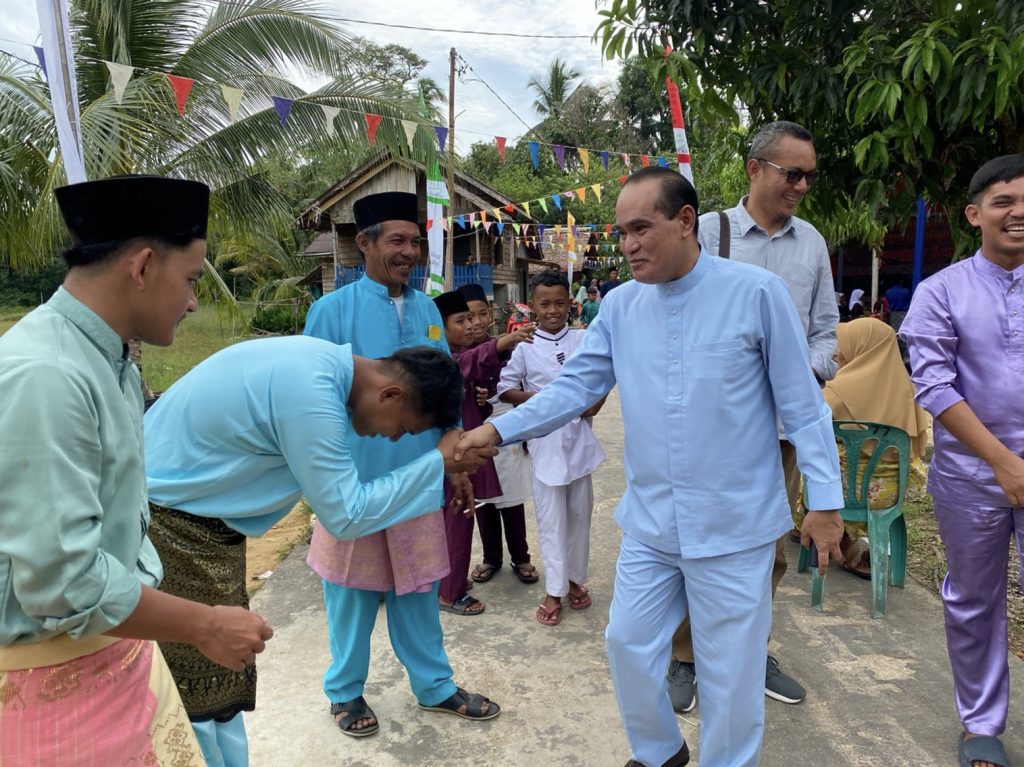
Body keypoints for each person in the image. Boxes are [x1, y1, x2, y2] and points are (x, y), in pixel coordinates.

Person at [455, 167, 842, 767]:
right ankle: (660, 751)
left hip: (734, 525)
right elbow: (575, 388)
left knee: (731, 671)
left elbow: (803, 405)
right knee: (628, 643)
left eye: (641, 228)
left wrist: (825, 501)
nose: (628, 244)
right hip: (652, 522)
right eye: (621, 232)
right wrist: (497, 429)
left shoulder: (756, 294)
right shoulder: (620, 306)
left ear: (685, 222)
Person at [0, 175, 272, 766]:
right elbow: (64, 582)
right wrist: (204, 624)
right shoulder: (48, 376)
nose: (194, 302)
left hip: (110, 655)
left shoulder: (110, 359)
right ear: (143, 267)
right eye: (192, 279)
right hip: (49, 687)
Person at [144, 338, 490, 764]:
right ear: (390, 394)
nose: (391, 437)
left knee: (222, 683)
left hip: (200, 523)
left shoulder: (320, 366)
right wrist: (435, 462)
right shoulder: (312, 394)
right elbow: (346, 514)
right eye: (401, 428)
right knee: (194, 698)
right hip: (173, 528)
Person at [302, 191, 500, 737]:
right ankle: (345, 691)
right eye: (397, 241)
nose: (409, 252)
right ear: (365, 244)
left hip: (420, 480)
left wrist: (456, 465)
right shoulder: (331, 312)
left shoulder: (428, 312)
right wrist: (320, 479)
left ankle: (434, 686)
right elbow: (311, 402)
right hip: (355, 482)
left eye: (415, 241)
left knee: (418, 590)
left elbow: (444, 392)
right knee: (351, 594)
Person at [667, 119, 840, 713]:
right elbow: (676, 320)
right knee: (696, 543)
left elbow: (826, 334)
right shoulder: (706, 232)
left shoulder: (812, 244)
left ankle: (751, 651)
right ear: (755, 169)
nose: (801, 186)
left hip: (782, 434)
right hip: (711, 432)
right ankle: (686, 657)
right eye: (792, 173)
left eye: (809, 177)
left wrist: (796, 376)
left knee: (769, 549)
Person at [900, 154, 1024, 767]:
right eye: (1004, 202)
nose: (1018, 213)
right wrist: (1003, 460)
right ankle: (981, 723)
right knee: (974, 599)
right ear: (975, 214)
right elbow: (933, 384)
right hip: (972, 475)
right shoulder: (941, 291)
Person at [497, 270, 606, 627]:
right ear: (533, 306)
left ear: (570, 304)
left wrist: (594, 401)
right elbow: (505, 390)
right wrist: (546, 403)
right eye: (545, 304)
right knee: (550, 519)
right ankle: (554, 590)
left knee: (579, 518)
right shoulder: (525, 346)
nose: (553, 310)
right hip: (545, 443)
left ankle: (575, 580)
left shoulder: (583, 339)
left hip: (579, 443)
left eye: (560, 303)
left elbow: (602, 378)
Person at [791, 317, 929, 578]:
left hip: (840, 496)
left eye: (843, 344)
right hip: (888, 496)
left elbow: (805, 430)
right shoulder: (910, 391)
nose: (837, 353)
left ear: (859, 347)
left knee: (805, 461)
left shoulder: (834, 391)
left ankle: (819, 533)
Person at [432, 290, 533, 615]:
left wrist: (481, 396)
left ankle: (451, 580)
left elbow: (480, 383)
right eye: (461, 321)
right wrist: (505, 341)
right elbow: (467, 364)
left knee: (465, 514)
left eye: (473, 318)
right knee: (460, 517)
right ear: (440, 327)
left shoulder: (457, 353)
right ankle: (450, 594)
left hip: (467, 446)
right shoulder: (443, 358)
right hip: (455, 453)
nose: (470, 325)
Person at [458, 283, 540, 588]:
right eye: (468, 317)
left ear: (491, 313)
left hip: (507, 431)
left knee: (511, 499)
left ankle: (521, 557)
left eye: (482, 314)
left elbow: (518, 387)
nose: (476, 322)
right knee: (484, 500)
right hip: (473, 435)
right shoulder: (456, 353)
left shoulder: (508, 349)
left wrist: (527, 433)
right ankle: (491, 558)